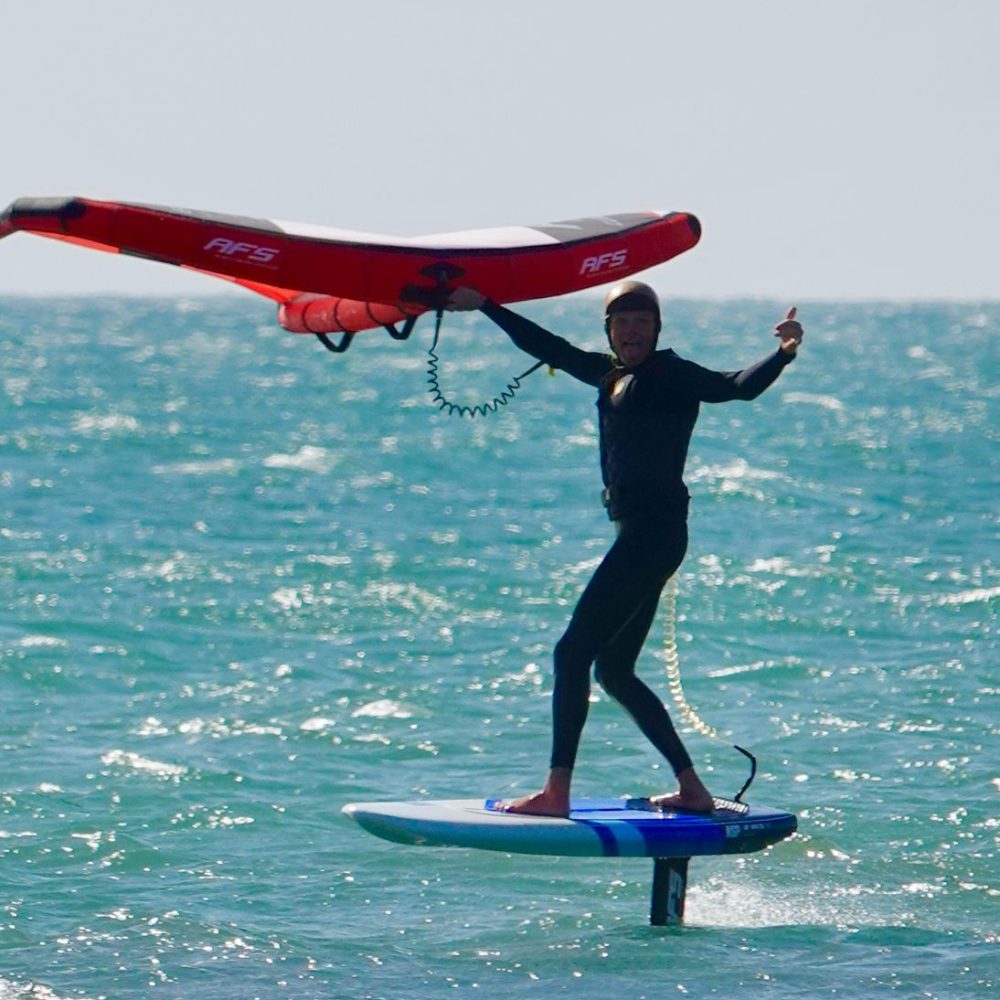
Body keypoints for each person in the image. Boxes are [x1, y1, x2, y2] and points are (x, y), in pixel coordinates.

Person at [447, 281, 804, 817]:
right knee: (613, 670)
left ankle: (555, 793)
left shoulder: (671, 374)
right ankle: (693, 791)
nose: (632, 331)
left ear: (656, 329)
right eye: (622, 322)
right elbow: (551, 349)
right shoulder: (610, 375)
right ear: (609, 330)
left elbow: (736, 387)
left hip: (652, 534)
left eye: (642, 322)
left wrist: (783, 352)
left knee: (570, 653)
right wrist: (486, 306)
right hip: (641, 535)